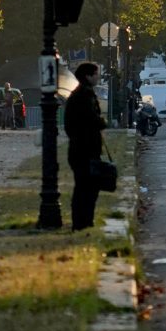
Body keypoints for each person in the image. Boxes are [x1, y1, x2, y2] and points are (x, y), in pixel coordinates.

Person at [63, 61, 107, 230]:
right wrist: (101, 122)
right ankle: (82, 222)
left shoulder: (80, 94)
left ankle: (84, 221)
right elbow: (90, 120)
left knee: (86, 187)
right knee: (85, 188)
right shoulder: (84, 96)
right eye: (95, 74)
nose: (98, 77)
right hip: (85, 149)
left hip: (81, 148)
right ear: (88, 76)